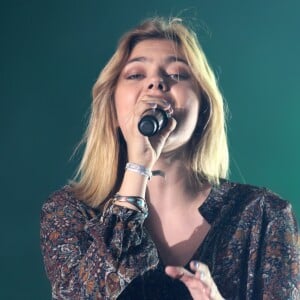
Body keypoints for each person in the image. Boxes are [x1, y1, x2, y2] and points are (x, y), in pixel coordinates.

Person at [40, 17, 299, 299]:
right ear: (113, 110)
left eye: (177, 75)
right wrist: (137, 168)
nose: (156, 83)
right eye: (136, 75)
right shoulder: (68, 212)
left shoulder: (264, 216)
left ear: (203, 109)